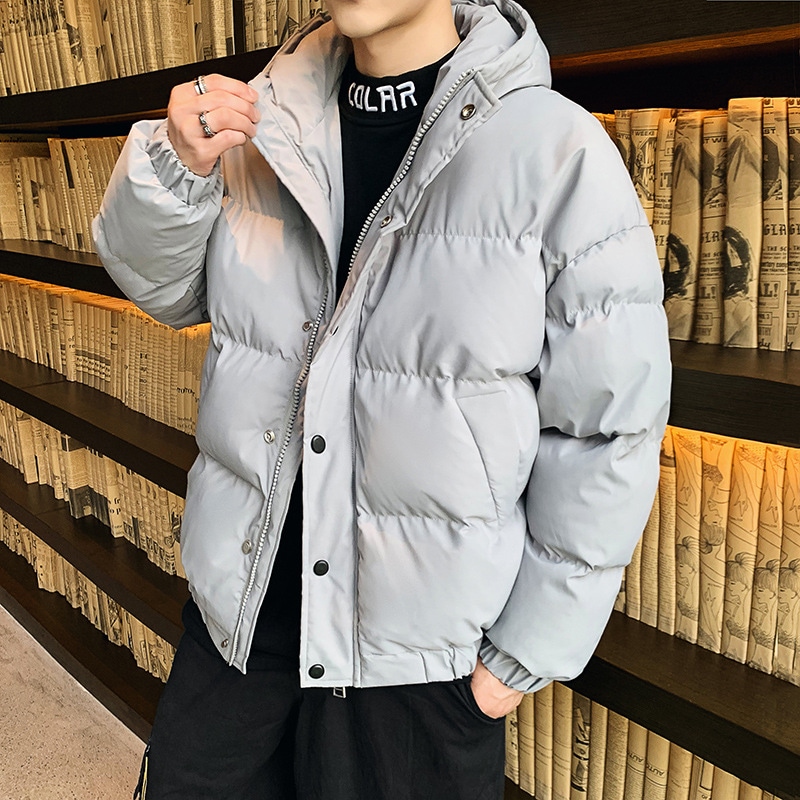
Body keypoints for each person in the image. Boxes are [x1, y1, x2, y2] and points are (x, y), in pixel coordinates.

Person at [93, 0, 671, 797]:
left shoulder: (556, 152)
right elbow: (164, 291)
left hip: (416, 668)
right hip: (241, 626)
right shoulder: (264, 121)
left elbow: (609, 428)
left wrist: (521, 656)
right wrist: (175, 171)